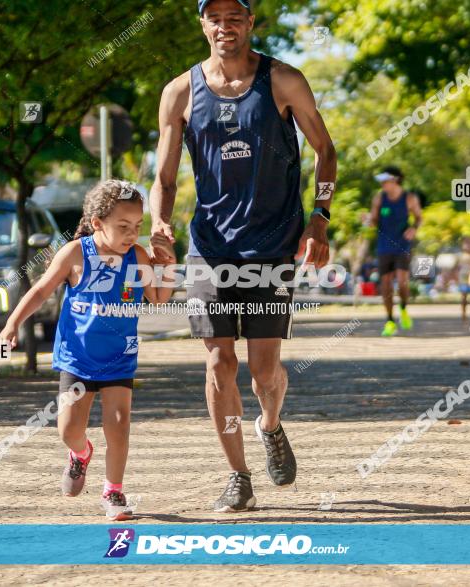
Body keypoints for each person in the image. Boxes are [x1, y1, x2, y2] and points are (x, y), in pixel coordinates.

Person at [149, 0, 336, 512]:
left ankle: (270, 426)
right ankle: (238, 474)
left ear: (250, 23)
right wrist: (160, 224)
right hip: (210, 246)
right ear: (203, 25)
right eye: (216, 18)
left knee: (263, 372)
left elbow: (325, 149)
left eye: (236, 18)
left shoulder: (283, 80)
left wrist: (320, 218)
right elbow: (164, 177)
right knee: (218, 362)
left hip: (273, 243)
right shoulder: (180, 92)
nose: (225, 27)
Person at [0, 180, 176, 520]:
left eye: (137, 227)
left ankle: (114, 492)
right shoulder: (76, 253)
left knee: (119, 423)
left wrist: (167, 262)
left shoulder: (137, 257)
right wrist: (12, 323)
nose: (131, 234)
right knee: (68, 430)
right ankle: (80, 454)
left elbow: (158, 297)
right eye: (123, 227)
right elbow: (40, 289)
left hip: (119, 358)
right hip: (77, 358)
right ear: (97, 224)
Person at [368, 166, 423, 336]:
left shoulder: (409, 198)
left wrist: (413, 228)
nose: (382, 184)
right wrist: (368, 220)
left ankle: (404, 309)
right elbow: (374, 221)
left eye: (385, 181)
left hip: (402, 245)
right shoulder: (379, 198)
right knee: (385, 284)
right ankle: (390, 320)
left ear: (395, 180)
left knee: (402, 281)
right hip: (384, 246)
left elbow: (419, 218)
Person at [457, 236, 470, 322]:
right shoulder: (460, 256)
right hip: (463, 279)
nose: (468, 246)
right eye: (466, 243)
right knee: (464, 297)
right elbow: (456, 268)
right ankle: (463, 314)